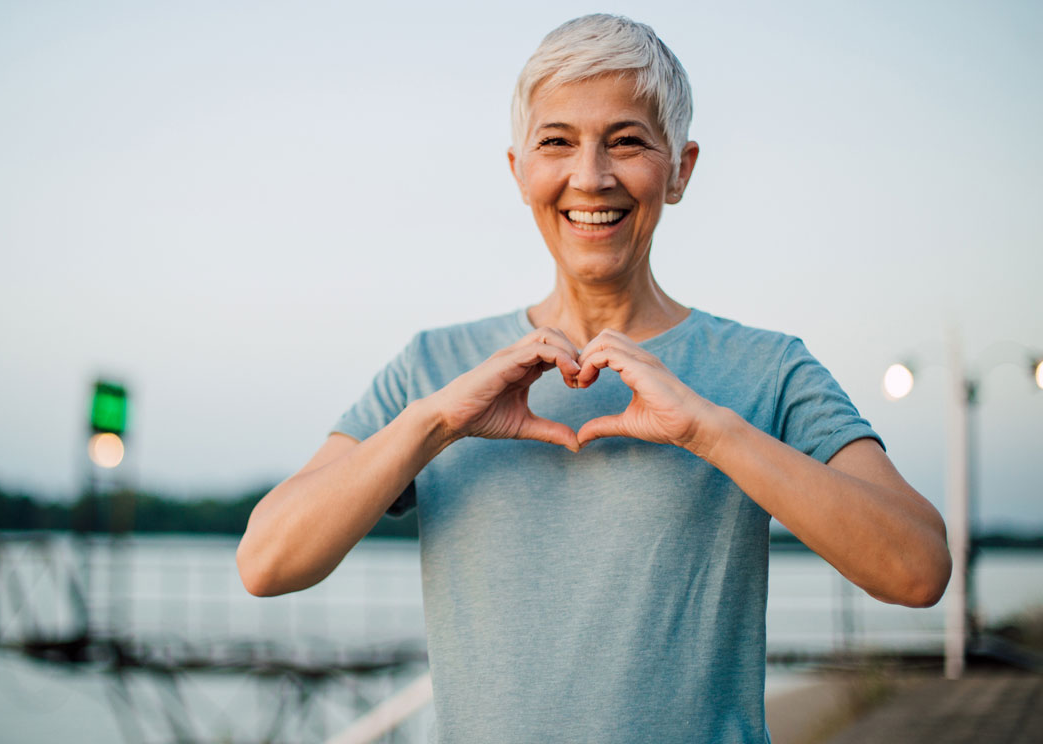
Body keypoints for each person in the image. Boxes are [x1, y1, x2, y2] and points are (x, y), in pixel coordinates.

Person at [237, 13, 950, 743]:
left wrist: (711, 430)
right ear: (518, 171)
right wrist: (437, 424)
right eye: (557, 143)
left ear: (680, 170)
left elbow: (918, 568)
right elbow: (266, 561)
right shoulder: (434, 369)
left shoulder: (767, 368)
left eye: (628, 141)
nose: (591, 176)